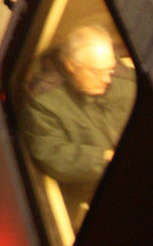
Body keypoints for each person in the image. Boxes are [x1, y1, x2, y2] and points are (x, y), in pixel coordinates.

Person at [21, 24, 136, 219]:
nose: (107, 79)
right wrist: (103, 159)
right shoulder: (44, 100)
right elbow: (50, 153)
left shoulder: (127, 81)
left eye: (110, 69)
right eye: (97, 72)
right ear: (71, 65)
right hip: (90, 191)